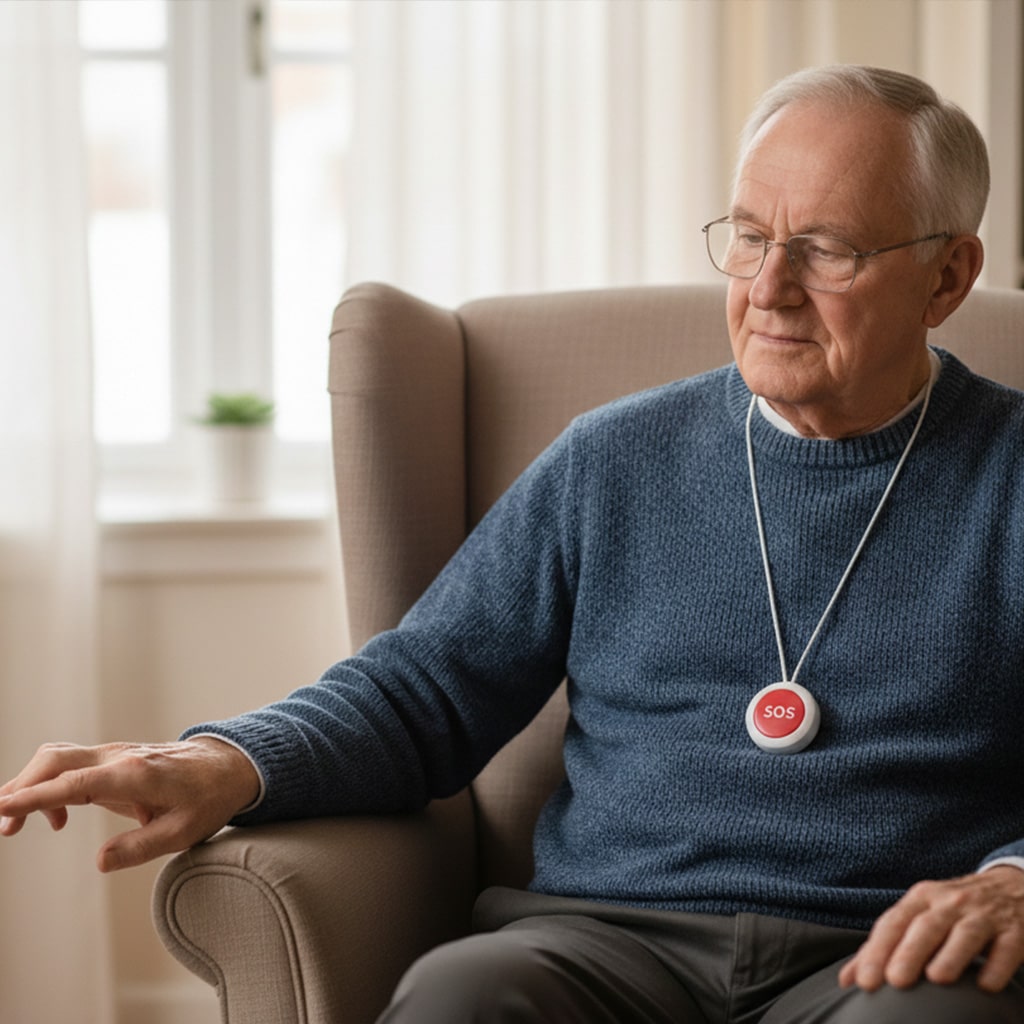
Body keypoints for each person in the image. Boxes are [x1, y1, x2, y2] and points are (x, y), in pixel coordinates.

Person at [3, 64, 1024, 1023]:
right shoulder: (612, 458)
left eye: (828, 248)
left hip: (885, 950)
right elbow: (424, 691)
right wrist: (223, 757)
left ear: (946, 278)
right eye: (751, 236)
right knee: (463, 996)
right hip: (606, 941)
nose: (769, 286)